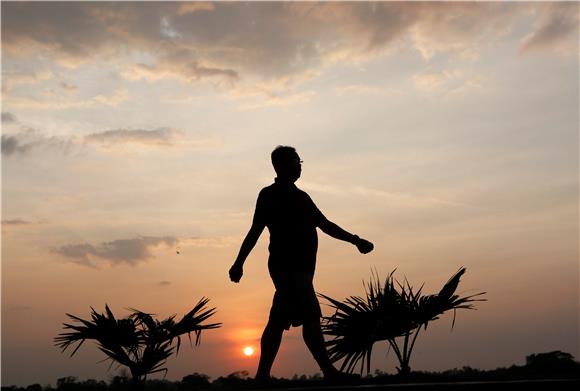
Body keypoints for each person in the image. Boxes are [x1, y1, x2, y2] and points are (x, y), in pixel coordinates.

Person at [229, 145, 373, 383]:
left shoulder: (302, 197)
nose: (299, 165)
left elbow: (325, 224)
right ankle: (328, 372)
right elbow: (255, 230)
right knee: (309, 315)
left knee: (280, 319)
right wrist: (238, 263)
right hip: (287, 268)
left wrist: (355, 240)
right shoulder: (269, 195)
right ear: (281, 165)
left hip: (304, 269)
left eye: (299, 161)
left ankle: (263, 377)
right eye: (295, 161)